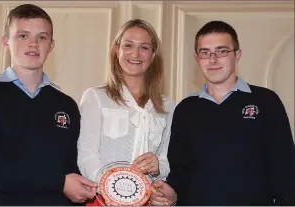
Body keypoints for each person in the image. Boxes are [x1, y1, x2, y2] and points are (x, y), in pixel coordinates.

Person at [0, 4, 97, 205]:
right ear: (6, 42)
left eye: (42, 37)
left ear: (51, 45)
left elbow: (72, 171)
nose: (33, 44)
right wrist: (58, 182)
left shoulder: (67, 106)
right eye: (23, 36)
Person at [150, 20, 295, 205]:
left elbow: (286, 167)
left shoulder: (266, 101)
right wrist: (170, 192)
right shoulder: (185, 109)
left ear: (237, 55)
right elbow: (180, 170)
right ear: (197, 58)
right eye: (205, 52)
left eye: (222, 51)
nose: (213, 59)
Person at [77, 18, 175, 205]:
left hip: (149, 202)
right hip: (102, 200)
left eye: (144, 47)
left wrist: (158, 166)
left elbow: (167, 161)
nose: (135, 54)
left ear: (153, 55)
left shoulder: (168, 106)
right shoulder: (95, 97)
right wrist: (114, 190)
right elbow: (87, 155)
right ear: (116, 50)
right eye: (128, 45)